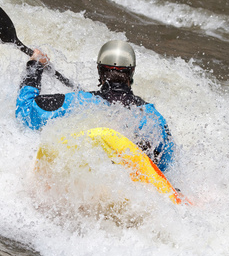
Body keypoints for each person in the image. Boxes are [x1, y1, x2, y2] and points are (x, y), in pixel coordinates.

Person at [16, 40, 175, 172]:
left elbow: (25, 112)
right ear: (132, 72)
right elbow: (167, 163)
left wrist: (35, 65)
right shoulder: (152, 116)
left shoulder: (79, 102)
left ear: (99, 71)